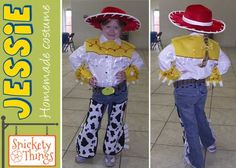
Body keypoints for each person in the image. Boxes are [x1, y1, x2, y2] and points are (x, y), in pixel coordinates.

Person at [69, 6, 144, 167]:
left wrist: (128, 73)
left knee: (115, 123)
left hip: (120, 93)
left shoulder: (127, 49)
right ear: (101, 26)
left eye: (116, 27)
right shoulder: (90, 46)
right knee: (92, 122)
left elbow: (139, 63)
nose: (112, 30)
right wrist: (87, 76)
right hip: (98, 93)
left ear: (122, 29)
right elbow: (74, 58)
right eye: (108, 26)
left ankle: (111, 152)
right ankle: (85, 151)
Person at [158, 4, 231, 168]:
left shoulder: (178, 44)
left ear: (187, 25)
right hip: (201, 88)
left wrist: (175, 72)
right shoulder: (213, 46)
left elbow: (163, 58)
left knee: (190, 124)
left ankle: (196, 161)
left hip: (184, 89)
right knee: (199, 114)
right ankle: (210, 143)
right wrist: (211, 72)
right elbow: (226, 64)